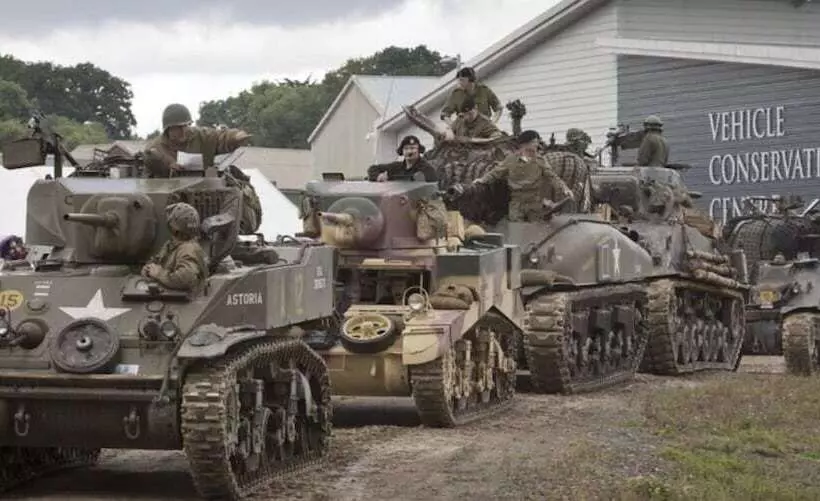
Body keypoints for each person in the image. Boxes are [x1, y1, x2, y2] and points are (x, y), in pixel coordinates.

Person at [470, 130, 574, 221]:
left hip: (534, 204)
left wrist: (565, 189)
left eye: (537, 142)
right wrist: (482, 180)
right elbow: (496, 173)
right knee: (516, 232)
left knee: (536, 232)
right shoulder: (511, 160)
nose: (536, 145)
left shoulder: (540, 160)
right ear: (525, 144)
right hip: (517, 203)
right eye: (534, 142)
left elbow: (552, 177)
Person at [143, 103, 253, 178]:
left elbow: (219, 137)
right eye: (178, 127)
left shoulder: (201, 136)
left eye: (186, 125)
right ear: (168, 129)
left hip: (202, 190)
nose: (183, 131)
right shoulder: (156, 147)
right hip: (170, 194)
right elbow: (149, 161)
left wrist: (235, 137)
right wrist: (169, 164)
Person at [141, 202, 208, 292]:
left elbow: (186, 278)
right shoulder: (172, 245)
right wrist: (148, 269)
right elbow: (156, 261)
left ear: (174, 229)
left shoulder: (188, 249)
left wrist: (159, 274)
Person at [367, 135, 438, 182]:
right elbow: (372, 168)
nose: (409, 151)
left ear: (419, 150)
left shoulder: (427, 169)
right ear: (402, 151)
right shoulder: (396, 167)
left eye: (413, 148)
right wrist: (378, 176)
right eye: (406, 149)